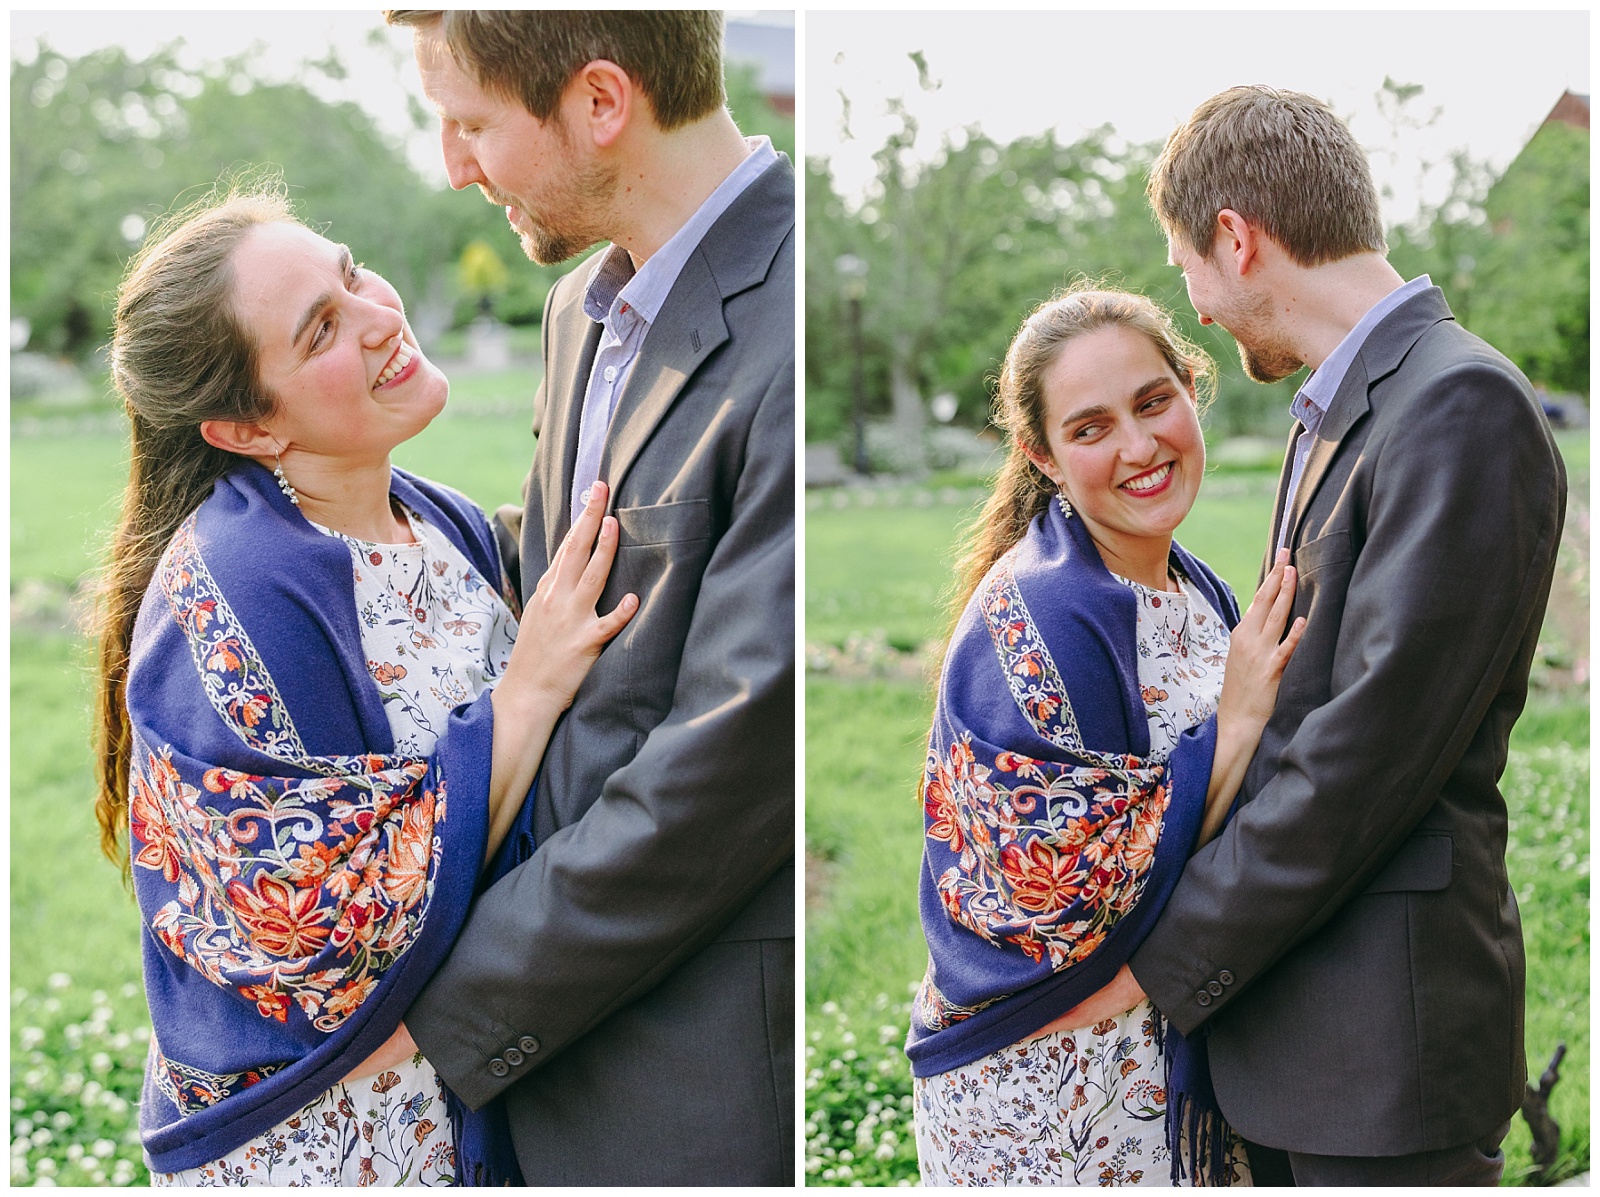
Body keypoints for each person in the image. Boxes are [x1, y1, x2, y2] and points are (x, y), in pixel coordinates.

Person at [93, 183, 636, 1185]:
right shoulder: (234, 596)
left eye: (350, 274)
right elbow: (320, 922)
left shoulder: (437, 521)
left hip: (452, 1093)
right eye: (322, 330)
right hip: (321, 1138)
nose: (382, 317)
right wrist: (526, 693)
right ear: (247, 429)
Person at [1077, 85, 1565, 1186]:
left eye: (1186, 265)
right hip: (1306, 1035)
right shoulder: (1341, 415)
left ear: (1236, 239)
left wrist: (1161, 959)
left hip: (1381, 1054)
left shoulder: (1461, 405)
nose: (1194, 304)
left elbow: (1365, 755)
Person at [376, 10, 795, 1185]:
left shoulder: (787, 323)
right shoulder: (582, 308)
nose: (453, 166)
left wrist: (429, 1016)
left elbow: (725, 773)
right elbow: (552, 564)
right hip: (536, 1066)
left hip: (690, 1077)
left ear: (600, 102)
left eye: (469, 125)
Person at [909, 286, 1307, 1186]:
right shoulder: (1049, 609)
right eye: (1090, 428)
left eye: (1153, 401)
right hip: (1055, 1090)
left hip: (1152, 1057)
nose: (1138, 446)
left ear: (1192, 387)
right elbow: (1058, 886)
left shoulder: (1190, 586)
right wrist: (1237, 723)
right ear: (1041, 456)